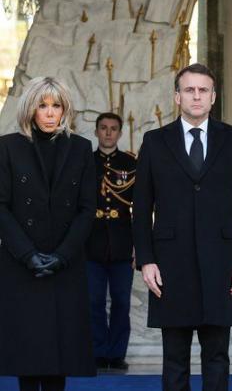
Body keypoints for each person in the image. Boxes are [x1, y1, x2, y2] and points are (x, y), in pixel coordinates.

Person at [132, 63, 232, 391]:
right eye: (189, 90)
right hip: (170, 266)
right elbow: (142, 207)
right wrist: (145, 260)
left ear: (213, 97)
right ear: (177, 96)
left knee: (218, 356)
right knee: (174, 358)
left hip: (220, 263)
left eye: (203, 90)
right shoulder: (155, 142)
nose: (197, 96)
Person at [0, 77, 97, 391]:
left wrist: (62, 256)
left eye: (56, 105)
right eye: (43, 105)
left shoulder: (81, 148)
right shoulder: (8, 147)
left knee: (60, 356)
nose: (50, 112)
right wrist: (28, 255)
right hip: (21, 266)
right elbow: (0, 206)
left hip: (64, 266)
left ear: (65, 109)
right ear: (31, 109)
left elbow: (86, 208)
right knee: (27, 355)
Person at [86, 112, 137, 371]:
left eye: (113, 128)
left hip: (121, 245)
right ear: (96, 132)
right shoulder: (85, 162)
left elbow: (139, 209)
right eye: (103, 128)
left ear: (119, 133)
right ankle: (97, 351)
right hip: (90, 245)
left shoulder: (130, 163)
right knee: (93, 301)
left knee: (120, 301)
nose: (108, 133)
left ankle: (116, 353)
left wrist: (140, 246)